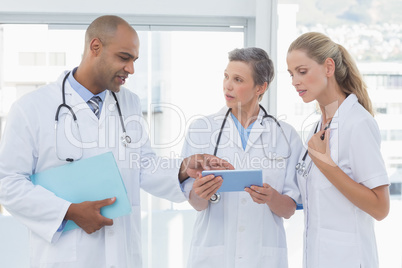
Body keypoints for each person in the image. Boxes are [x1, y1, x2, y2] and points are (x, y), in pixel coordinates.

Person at [0, 15, 233, 268]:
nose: (131, 69)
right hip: (66, 257)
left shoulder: (129, 102)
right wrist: (69, 211)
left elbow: (142, 165)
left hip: (123, 255)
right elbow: (8, 183)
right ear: (95, 47)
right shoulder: (31, 108)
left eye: (134, 60)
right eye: (124, 57)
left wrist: (183, 167)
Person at [181, 47, 303, 267]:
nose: (227, 85)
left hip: (262, 257)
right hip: (215, 255)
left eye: (238, 79)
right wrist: (201, 193)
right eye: (226, 77)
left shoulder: (286, 135)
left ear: (260, 87)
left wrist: (271, 197)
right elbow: (196, 203)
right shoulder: (202, 129)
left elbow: (289, 208)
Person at [286, 32, 390, 268]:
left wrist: (326, 164)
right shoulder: (318, 125)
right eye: (292, 74)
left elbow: (380, 207)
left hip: (349, 259)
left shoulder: (357, 123)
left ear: (328, 67)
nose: (294, 81)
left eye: (302, 71)